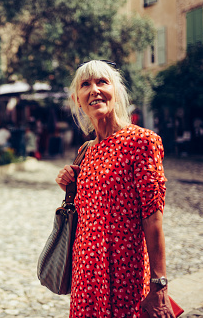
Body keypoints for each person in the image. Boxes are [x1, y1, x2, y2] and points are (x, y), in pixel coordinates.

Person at [55, 60, 175, 317]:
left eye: (102, 82)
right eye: (85, 85)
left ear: (116, 91)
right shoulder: (86, 151)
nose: (94, 90)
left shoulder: (141, 142)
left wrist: (159, 285)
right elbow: (89, 210)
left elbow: (153, 218)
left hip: (123, 274)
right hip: (85, 271)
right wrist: (70, 183)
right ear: (78, 100)